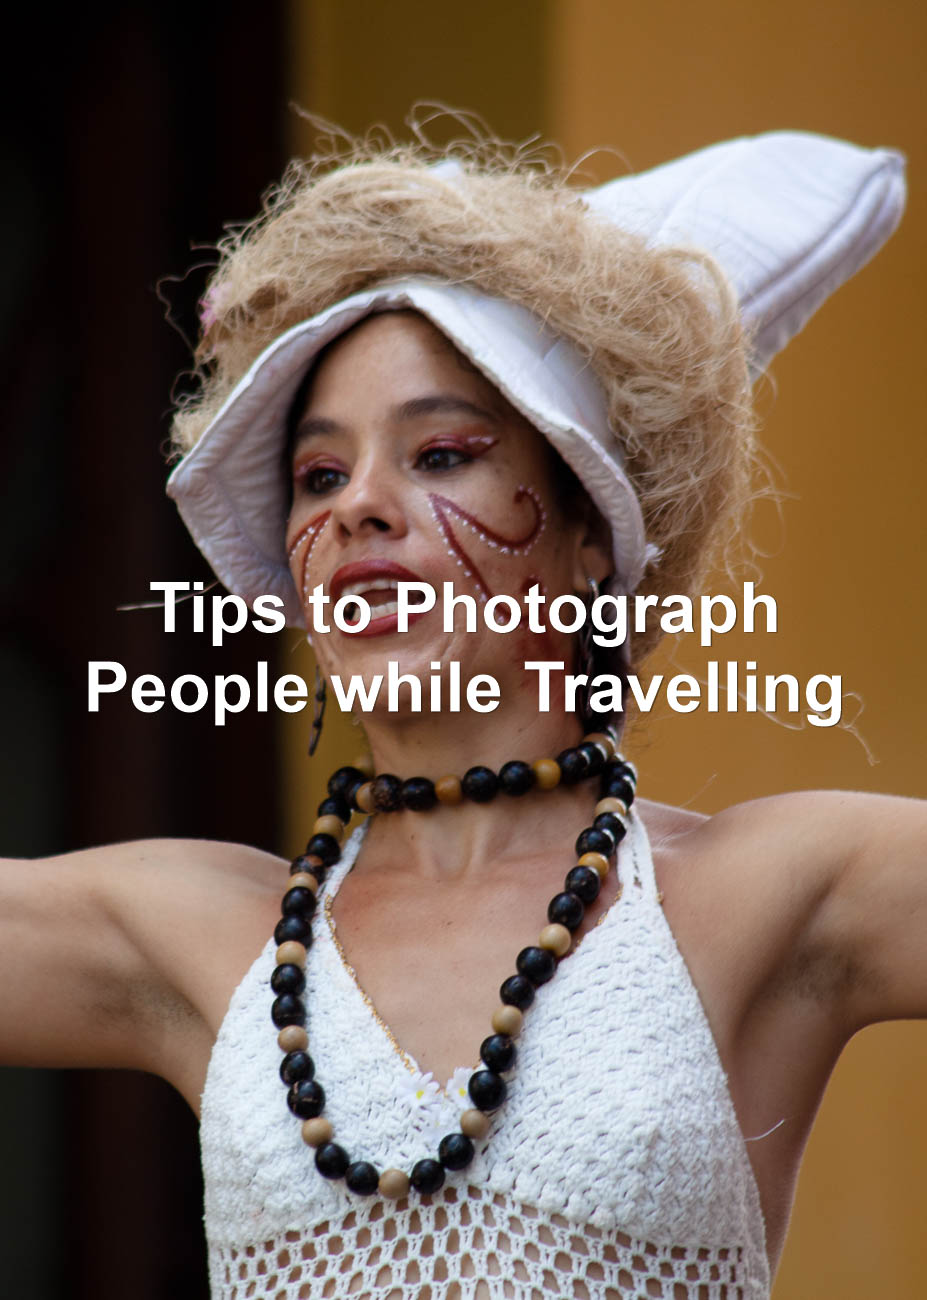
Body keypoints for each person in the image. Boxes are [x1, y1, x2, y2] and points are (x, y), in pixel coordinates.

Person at [2, 122, 923, 1300]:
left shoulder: (769, 897)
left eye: (441, 452)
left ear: (593, 530)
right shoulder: (197, 934)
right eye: (320, 475)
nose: (360, 508)